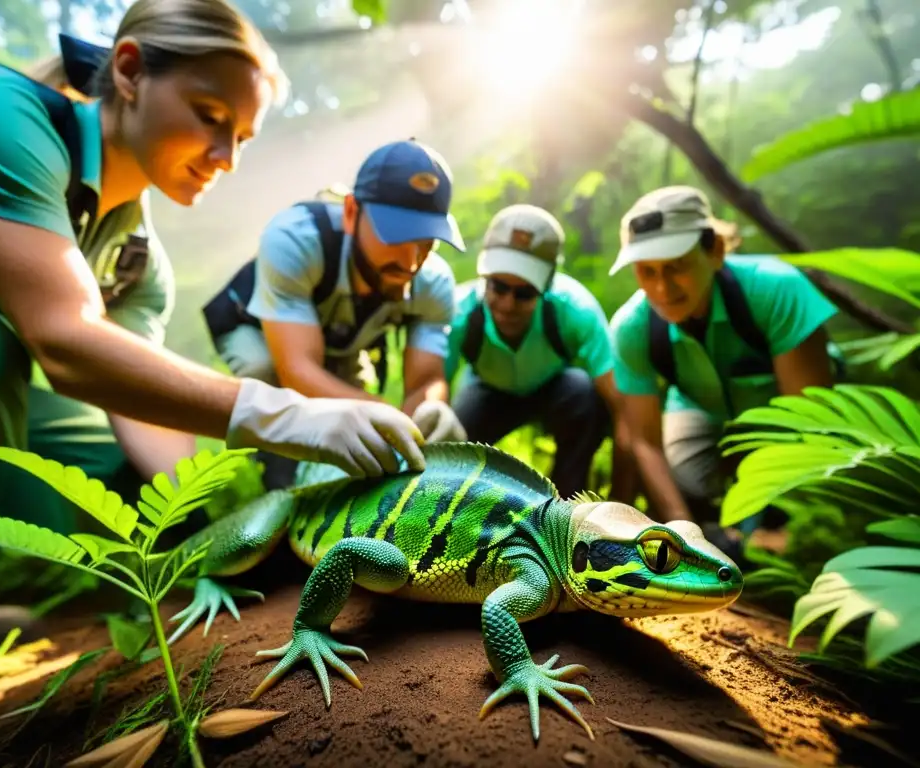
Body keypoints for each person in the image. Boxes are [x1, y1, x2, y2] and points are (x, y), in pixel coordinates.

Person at [0, 0, 427, 664]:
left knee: (115, 473)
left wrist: (208, 534)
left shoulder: (138, 261)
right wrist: (285, 413)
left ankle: (135, 593)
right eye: (211, 118)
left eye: (243, 138)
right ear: (128, 71)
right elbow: (62, 341)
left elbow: (129, 398)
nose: (225, 157)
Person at [203, 138, 469, 490]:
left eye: (425, 241)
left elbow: (426, 381)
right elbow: (297, 371)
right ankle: (279, 478)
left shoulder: (434, 283)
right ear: (350, 212)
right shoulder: (294, 239)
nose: (409, 263)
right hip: (255, 327)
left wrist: (427, 412)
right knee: (267, 377)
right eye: (394, 235)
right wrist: (385, 415)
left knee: (355, 430)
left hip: (340, 338)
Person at [608, 185, 838, 551]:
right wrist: (684, 537)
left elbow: (811, 422)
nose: (661, 287)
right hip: (699, 404)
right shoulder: (631, 327)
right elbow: (645, 443)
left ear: (714, 251)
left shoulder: (776, 289)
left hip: (789, 412)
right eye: (646, 271)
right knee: (686, 487)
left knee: (801, 505)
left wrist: (758, 523)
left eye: (676, 266)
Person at [443, 204, 636, 501]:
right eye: (498, 286)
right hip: (486, 391)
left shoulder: (575, 310)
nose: (507, 304)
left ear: (547, 284)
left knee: (585, 393)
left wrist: (622, 505)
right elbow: (433, 391)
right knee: (452, 451)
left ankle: (566, 508)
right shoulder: (460, 313)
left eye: (524, 294)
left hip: (556, 390)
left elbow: (623, 409)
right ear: (485, 276)